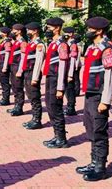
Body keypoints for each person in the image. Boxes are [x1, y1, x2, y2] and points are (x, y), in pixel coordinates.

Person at [75, 17, 112, 181]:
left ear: (99, 31)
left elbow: (110, 74)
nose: (88, 31)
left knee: (99, 131)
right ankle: (93, 162)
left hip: (99, 95)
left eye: (90, 28)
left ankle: (100, 167)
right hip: (90, 93)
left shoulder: (106, 48)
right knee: (91, 128)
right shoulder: (92, 47)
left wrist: (105, 100)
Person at [42, 17, 69, 148]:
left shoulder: (61, 44)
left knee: (56, 108)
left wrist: (60, 87)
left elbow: (63, 67)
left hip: (56, 79)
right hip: (50, 77)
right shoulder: (53, 43)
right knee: (50, 107)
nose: (47, 30)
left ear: (57, 28)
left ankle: (62, 139)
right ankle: (56, 135)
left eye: (49, 27)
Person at [20, 22, 45, 130]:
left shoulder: (39, 44)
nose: (28, 32)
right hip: (27, 72)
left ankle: (37, 120)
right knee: (30, 95)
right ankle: (33, 118)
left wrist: (35, 78)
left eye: (29, 30)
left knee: (35, 97)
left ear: (35, 31)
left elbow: (38, 62)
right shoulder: (31, 43)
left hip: (33, 72)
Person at [7, 24, 27, 116]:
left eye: (14, 30)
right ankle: (16, 106)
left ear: (19, 31)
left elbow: (23, 57)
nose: (12, 31)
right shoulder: (16, 41)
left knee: (18, 88)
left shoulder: (22, 42)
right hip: (13, 66)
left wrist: (20, 70)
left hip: (17, 66)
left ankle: (19, 107)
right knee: (14, 87)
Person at [63, 27, 82, 116]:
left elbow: (74, 58)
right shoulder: (66, 43)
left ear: (70, 34)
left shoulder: (73, 44)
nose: (64, 34)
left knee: (70, 89)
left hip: (71, 68)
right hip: (66, 68)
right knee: (67, 88)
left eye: (66, 33)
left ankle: (71, 107)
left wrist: (71, 72)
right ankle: (69, 106)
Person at [0, 27, 12, 106]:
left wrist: (5, 66)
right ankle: (4, 98)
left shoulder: (7, 42)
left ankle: (6, 99)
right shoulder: (3, 41)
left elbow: (7, 54)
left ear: (5, 33)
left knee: (5, 82)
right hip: (0, 63)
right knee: (2, 81)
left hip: (3, 64)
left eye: (1, 32)